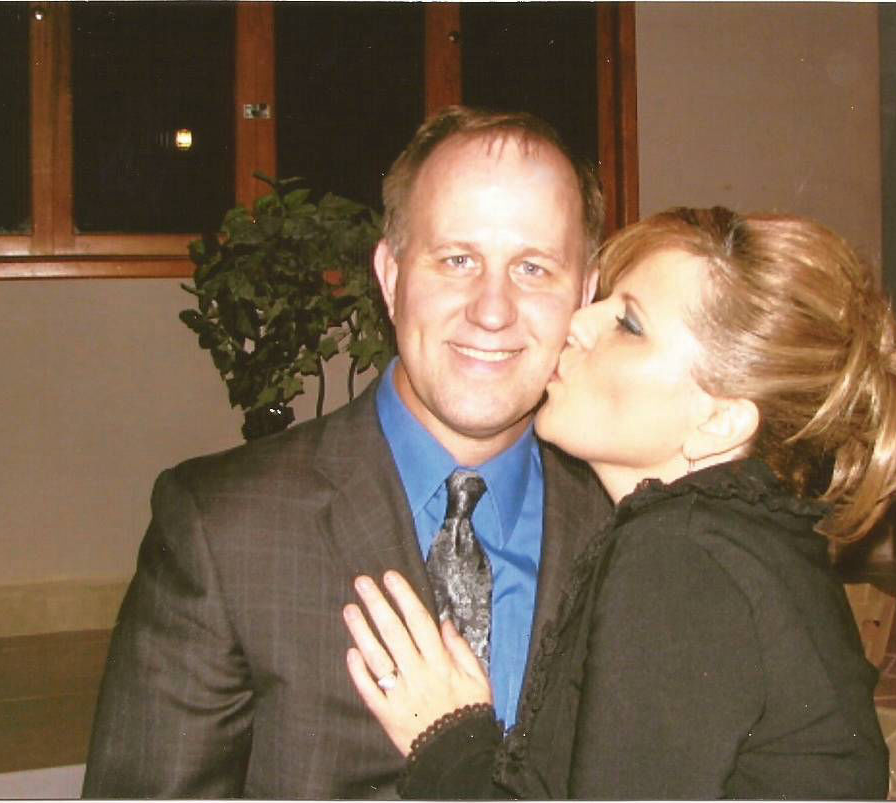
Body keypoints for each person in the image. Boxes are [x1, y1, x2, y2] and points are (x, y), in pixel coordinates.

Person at [343, 207, 896, 799]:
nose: (578, 323)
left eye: (630, 325)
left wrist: (447, 741)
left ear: (719, 421)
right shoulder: (734, 539)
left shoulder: (680, 558)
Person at [82, 106, 613, 798]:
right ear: (390, 275)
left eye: (534, 268)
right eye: (457, 260)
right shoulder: (225, 530)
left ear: (585, 293)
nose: (492, 309)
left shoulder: (624, 525)